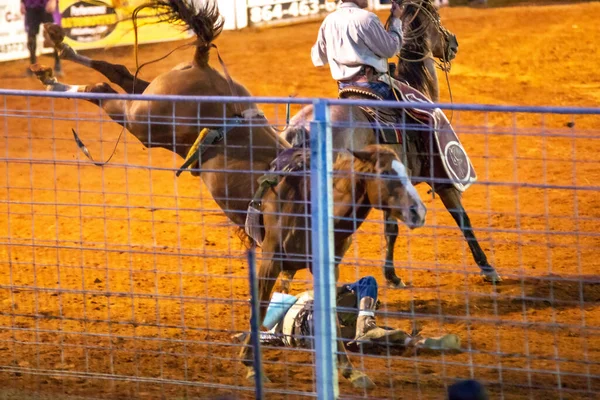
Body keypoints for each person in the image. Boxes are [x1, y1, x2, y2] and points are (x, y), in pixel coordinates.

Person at [233, 276, 461, 353]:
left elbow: (249, 337)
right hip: (321, 331)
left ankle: (409, 340)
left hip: (310, 336)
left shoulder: (276, 331)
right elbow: (337, 289)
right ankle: (412, 340)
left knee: (368, 336)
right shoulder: (299, 298)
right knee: (367, 282)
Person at [311, 0, 403, 101]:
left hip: (344, 89)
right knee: (408, 110)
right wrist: (396, 20)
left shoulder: (328, 21)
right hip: (372, 87)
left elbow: (318, 59)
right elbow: (391, 49)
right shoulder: (367, 18)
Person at [21, 0, 62, 76]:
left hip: (47, 3)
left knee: (54, 35)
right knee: (31, 37)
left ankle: (58, 66)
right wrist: (22, 2)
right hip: (31, 5)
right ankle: (33, 66)